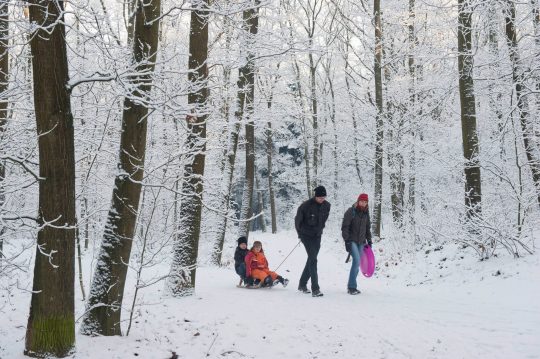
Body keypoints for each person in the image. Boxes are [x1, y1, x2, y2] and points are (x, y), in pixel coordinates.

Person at [294, 185, 331, 297]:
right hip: (306, 235)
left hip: (317, 236)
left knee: (311, 258)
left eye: (323, 197)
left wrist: (320, 230)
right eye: (320, 197)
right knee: (313, 260)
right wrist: (300, 234)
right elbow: (297, 221)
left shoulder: (327, 206)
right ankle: (315, 289)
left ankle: (302, 284)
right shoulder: (305, 206)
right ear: (315, 196)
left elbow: (323, 220)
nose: (322, 199)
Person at [341, 193, 373, 295]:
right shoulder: (351, 211)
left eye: (365, 202)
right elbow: (345, 227)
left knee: (357, 263)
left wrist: (369, 240)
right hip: (352, 240)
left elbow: (367, 228)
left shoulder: (366, 213)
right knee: (357, 260)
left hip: (361, 242)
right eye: (361, 201)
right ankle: (351, 287)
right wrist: (347, 240)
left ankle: (352, 286)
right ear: (358, 201)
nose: (363, 203)